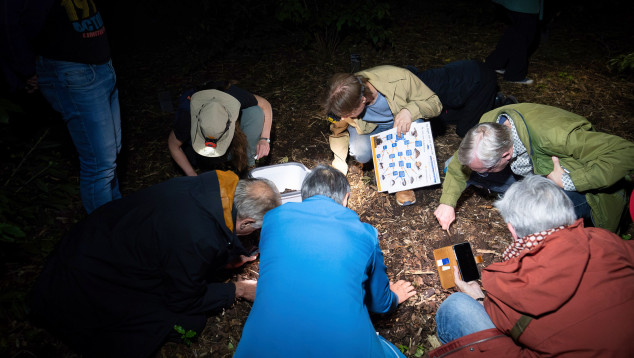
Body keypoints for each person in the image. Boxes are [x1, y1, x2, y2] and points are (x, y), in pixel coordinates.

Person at [29, 170, 281, 358]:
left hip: (93, 240)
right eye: (255, 229)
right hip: (86, 283)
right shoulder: (196, 237)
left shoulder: (209, 188)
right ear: (246, 223)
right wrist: (237, 289)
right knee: (188, 324)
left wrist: (227, 258)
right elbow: (184, 298)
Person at [429, 175, 634, 357]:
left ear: (512, 230)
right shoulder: (606, 238)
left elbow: (504, 321)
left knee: (456, 306)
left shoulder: (514, 281)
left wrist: (478, 296)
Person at [235, 165, 417, 357]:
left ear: (304, 195)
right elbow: (378, 303)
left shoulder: (272, 219)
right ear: (345, 198)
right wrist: (393, 297)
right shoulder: (365, 234)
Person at [321, 63, 513, 207]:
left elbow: (435, 103)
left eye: (348, 114)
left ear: (363, 100)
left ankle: (403, 184)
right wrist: (339, 164)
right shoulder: (345, 99)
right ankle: (376, 158)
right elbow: (337, 130)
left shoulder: (398, 78)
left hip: (402, 123)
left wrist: (410, 111)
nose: (344, 118)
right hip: (370, 128)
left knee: (417, 124)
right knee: (360, 152)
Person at [0, 0, 122, 213]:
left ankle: (120, 220)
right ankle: (106, 238)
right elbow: (7, 22)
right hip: (74, 72)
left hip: (103, 65)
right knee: (100, 165)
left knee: (111, 157)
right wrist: (25, 70)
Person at [434, 103, 634, 233]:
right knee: (453, 164)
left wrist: (567, 181)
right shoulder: (488, 127)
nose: (478, 175)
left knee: (532, 214)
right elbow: (458, 167)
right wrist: (448, 203)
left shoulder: (556, 136)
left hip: (585, 186)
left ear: (506, 155)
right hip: (533, 172)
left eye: (485, 169)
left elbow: (626, 152)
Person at [167, 81, 273, 175]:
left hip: (231, 138)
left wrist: (264, 139)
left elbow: (265, 104)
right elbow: (173, 145)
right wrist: (192, 174)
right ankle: (211, 165)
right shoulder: (187, 115)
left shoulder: (233, 96)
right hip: (199, 153)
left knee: (255, 112)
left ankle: (248, 164)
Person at [406, 60, 516, 137]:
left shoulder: (422, 89)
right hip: (467, 77)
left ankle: (501, 105)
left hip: (481, 80)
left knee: (464, 131)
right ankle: (490, 102)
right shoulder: (408, 80)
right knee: (444, 118)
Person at [485, 0, 542, 84]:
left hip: (519, 5)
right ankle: (514, 75)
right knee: (523, 36)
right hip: (523, 5)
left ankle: (494, 63)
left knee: (515, 32)